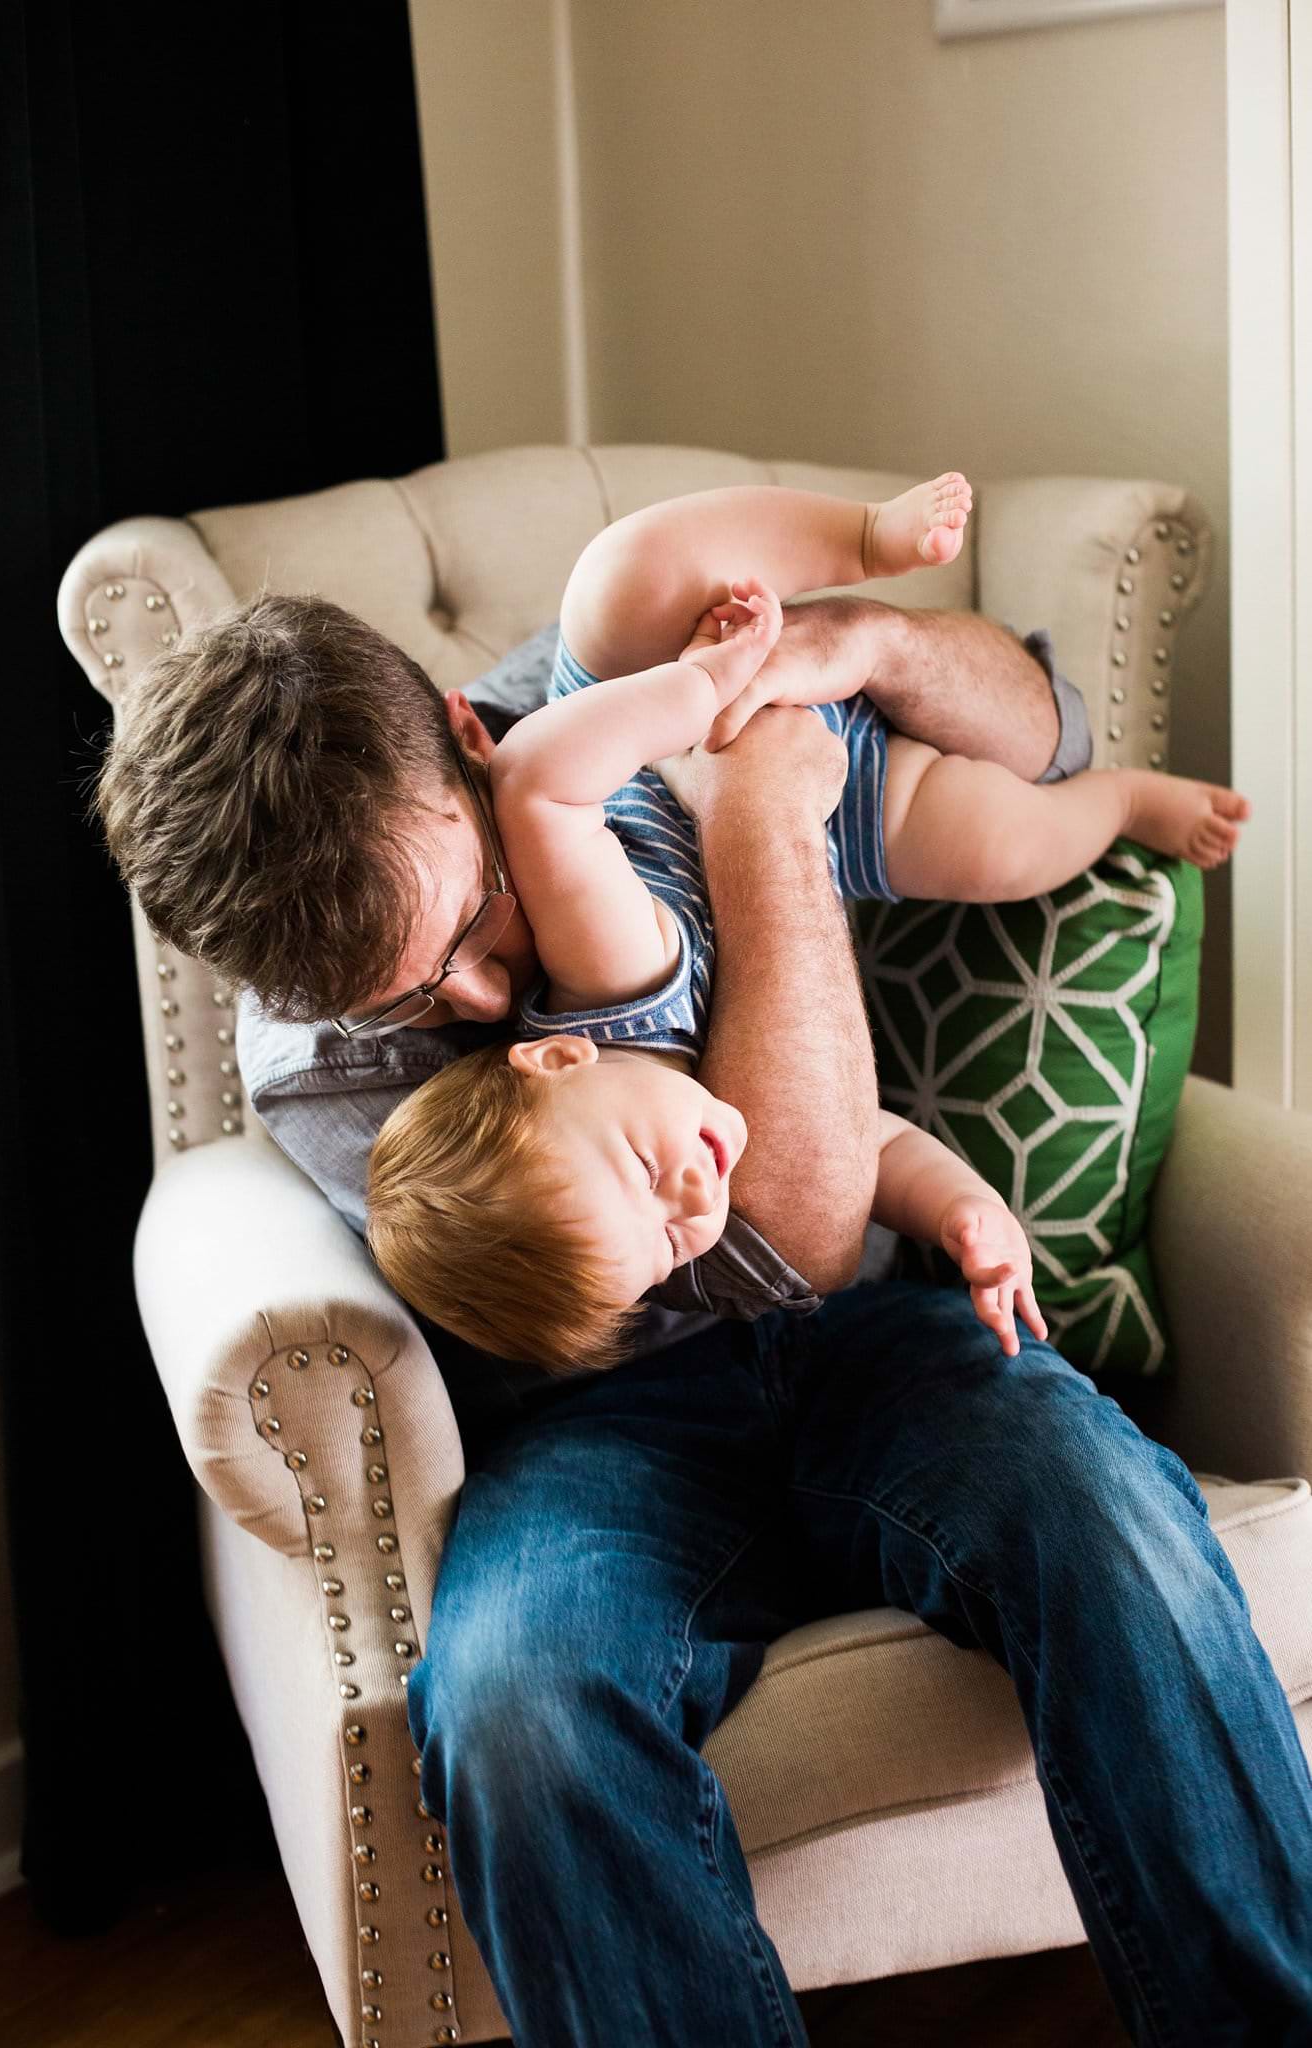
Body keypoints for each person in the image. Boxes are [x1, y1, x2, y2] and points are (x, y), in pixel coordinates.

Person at [94, 558, 1312, 2045]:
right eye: (403, 1001)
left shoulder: (604, 695)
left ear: (481, 745)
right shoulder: (313, 1051)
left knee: (1109, 1516)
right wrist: (759, 828)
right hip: (592, 1421)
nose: (477, 1009)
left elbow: (1045, 736)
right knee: (514, 1714)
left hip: (879, 1341)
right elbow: (776, 1237)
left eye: (473, 918)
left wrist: (865, 640)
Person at [366, 482, 1245, 1370]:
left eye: (641, 1174)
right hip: (839, 809)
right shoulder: (692, 1133)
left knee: (625, 576)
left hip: (678, 728)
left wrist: (701, 685)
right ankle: (1125, 799)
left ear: (557, 1057)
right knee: (1005, 850)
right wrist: (962, 1211)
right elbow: (867, 1143)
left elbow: (539, 784)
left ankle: (864, 534)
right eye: (671, 1245)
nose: (695, 1198)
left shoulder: (609, 985)